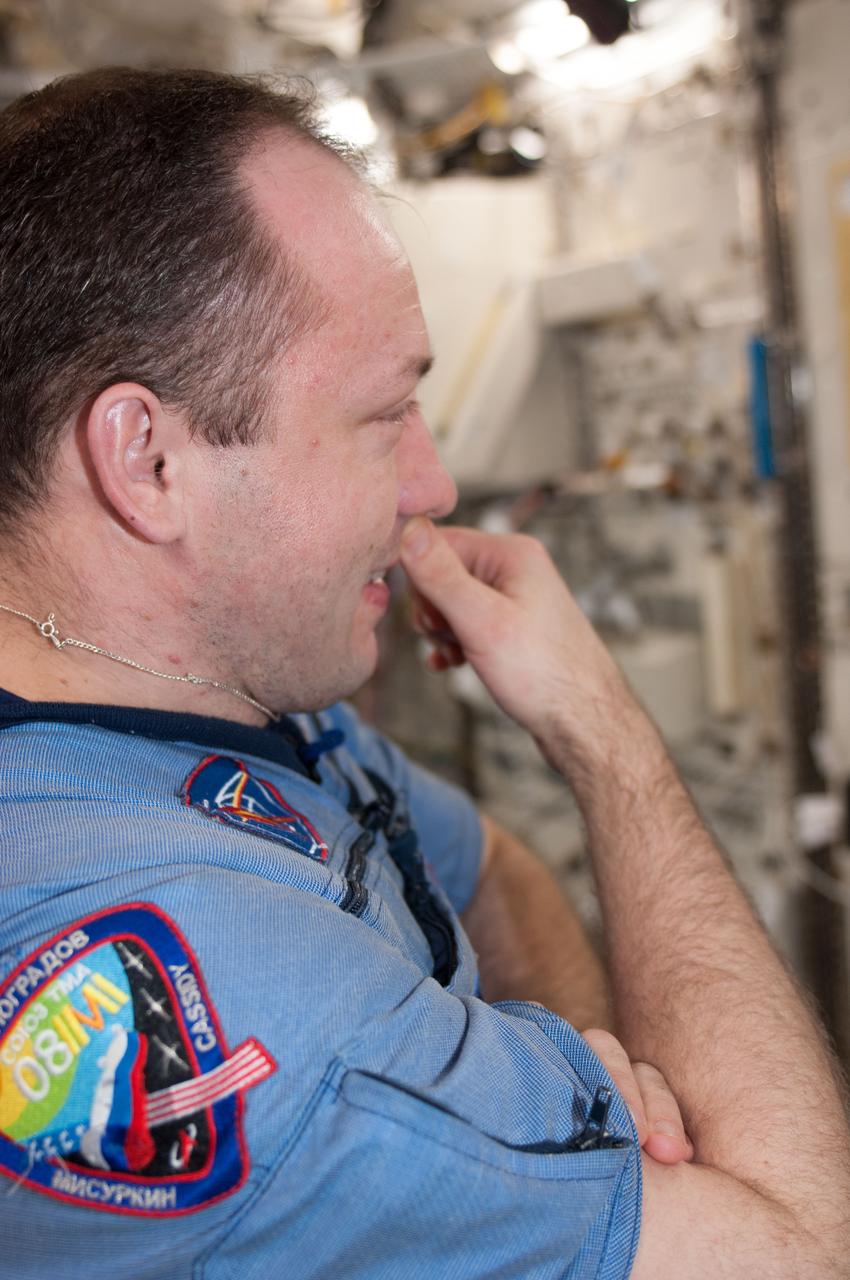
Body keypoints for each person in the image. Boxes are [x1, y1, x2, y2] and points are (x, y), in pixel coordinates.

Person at [0, 67, 846, 1280]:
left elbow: (490, 868)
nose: (433, 484)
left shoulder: (202, 701)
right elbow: (801, 1246)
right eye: (383, 413)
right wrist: (601, 731)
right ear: (149, 462)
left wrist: (540, 1107)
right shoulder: (226, 997)